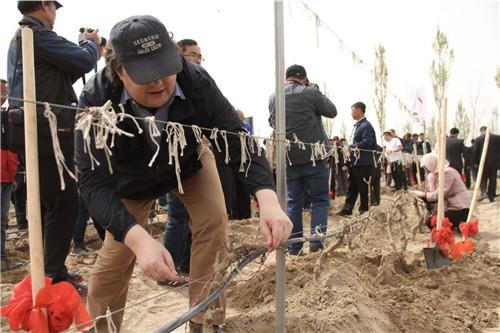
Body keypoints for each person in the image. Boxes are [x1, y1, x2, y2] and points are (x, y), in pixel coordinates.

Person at [76, 15, 292, 333]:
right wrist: (139, 239)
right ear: (119, 70)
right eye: (146, 74)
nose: (159, 83)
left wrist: (268, 199)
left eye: (166, 69)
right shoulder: (96, 100)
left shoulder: (196, 81)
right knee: (115, 258)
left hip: (188, 162)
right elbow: (92, 180)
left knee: (214, 222)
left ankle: (205, 321)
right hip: (130, 178)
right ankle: (100, 328)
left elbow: (236, 139)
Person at [7, 0, 100, 294]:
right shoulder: (36, 34)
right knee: (64, 203)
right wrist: (90, 44)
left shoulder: (25, 38)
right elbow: (84, 62)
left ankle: (53, 270)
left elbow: (60, 74)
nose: (55, 16)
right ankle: (52, 276)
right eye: (55, 9)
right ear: (45, 5)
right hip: (48, 132)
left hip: (37, 131)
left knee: (52, 203)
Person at [269, 64, 336, 255]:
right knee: (320, 200)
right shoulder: (310, 93)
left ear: (285, 78)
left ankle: (294, 246)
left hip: (289, 158)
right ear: (305, 79)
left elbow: (272, 122)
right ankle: (316, 243)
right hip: (314, 156)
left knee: (293, 203)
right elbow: (332, 111)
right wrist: (316, 90)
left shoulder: (273, 97)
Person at [412, 153, 471, 232]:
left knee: (432, 222)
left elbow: (439, 194)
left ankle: (458, 223)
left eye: (426, 167)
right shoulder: (437, 174)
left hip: (460, 208)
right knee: (432, 220)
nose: (426, 170)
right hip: (451, 206)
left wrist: (423, 194)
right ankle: (455, 224)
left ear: (431, 163)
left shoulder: (447, 173)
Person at [337, 102, 377, 216]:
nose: (351, 113)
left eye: (352, 110)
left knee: (363, 187)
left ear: (359, 110)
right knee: (352, 186)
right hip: (355, 161)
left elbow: (368, 142)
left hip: (363, 162)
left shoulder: (366, 126)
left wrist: (352, 147)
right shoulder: (357, 125)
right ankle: (347, 209)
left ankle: (364, 210)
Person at [472, 127, 500, 203]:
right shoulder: (497, 138)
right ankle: (491, 196)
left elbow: (475, 152)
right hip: (495, 162)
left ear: (481, 131)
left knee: (483, 178)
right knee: (493, 178)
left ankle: (484, 193)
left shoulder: (478, 139)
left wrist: (475, 163)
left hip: (483, 162)